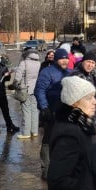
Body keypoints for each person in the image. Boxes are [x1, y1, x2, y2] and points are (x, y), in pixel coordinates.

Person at [35, 47, 71, 179]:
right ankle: (46, 169)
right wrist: (44, 108)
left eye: (66, 58)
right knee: (48, 140)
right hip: (50, 111)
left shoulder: (70, 72)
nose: (65, 60)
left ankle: (61, 167)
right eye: (62, 58)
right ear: (56, 59)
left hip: (65, 113)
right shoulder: (47, 72)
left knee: (63, 140)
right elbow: (39, 90)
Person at [70, 52, 96, 128]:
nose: (90, 65)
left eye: (93, 63)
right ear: (83, 61)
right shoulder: (76, 75)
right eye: (88, 61)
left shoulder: (90, 74)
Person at [15, 48, 42, 139]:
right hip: (35, 89)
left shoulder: (24, 63)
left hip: (25, 90)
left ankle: (26, 133)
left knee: (26, 111)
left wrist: (15, 84)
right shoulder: (38, 63)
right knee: (34, 110)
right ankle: (34, 131)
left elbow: (18, 76)